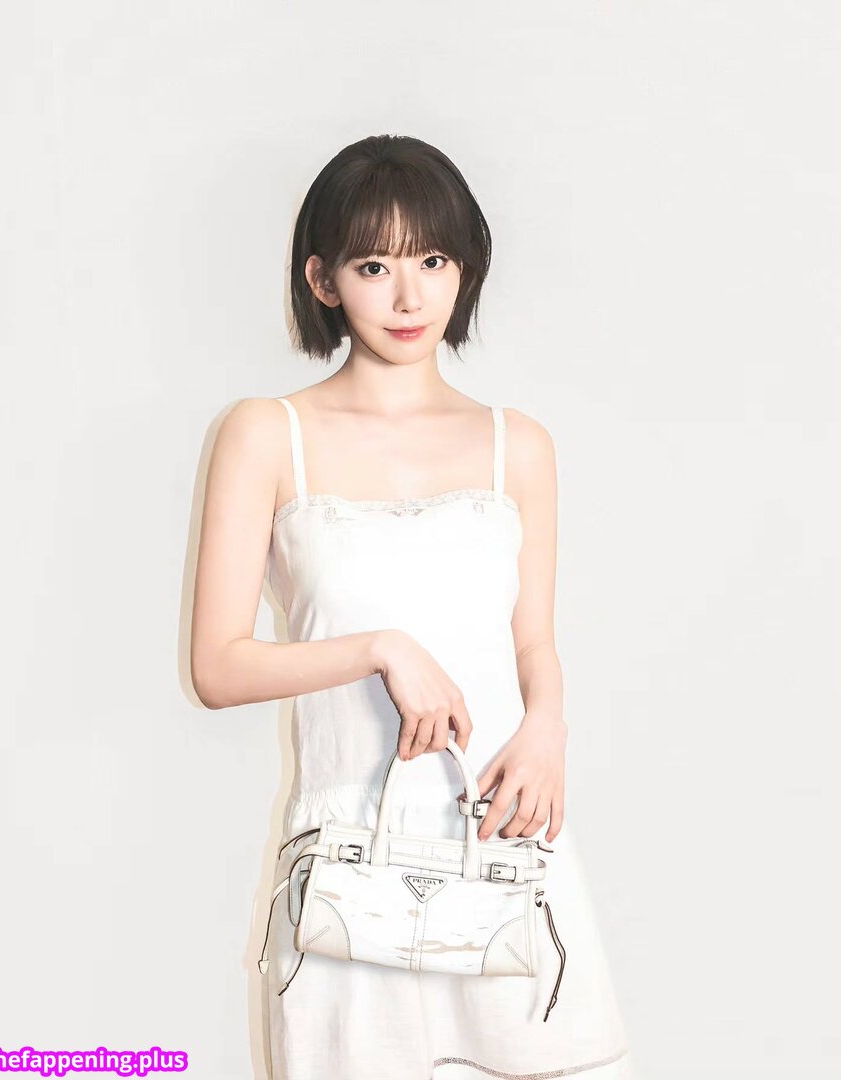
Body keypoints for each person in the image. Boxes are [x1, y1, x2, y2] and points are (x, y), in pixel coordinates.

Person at [191, 134, 635, 1079]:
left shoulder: (517, 444)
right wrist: (381, 647)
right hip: (348, 864)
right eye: (373, 266)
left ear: (465, 268)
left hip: (503, 839)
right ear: (322, 279)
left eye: (433, 261)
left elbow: (534, 644)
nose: (408, 297)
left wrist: (548, 728)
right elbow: (219, 666)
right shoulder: (268, 435)